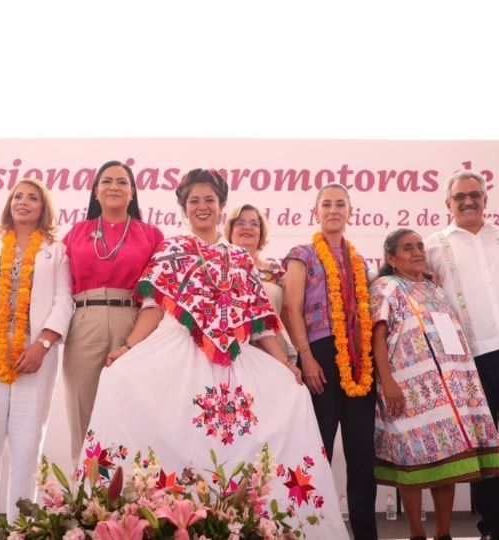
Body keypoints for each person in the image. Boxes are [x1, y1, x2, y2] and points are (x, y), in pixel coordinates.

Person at [86, 169, 348, 538]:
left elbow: (261, 321)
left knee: (284, 400)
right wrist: (128, 348)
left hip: (234, 362)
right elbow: (152, 308)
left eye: (210, 200)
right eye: (194, 200)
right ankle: (166, 522)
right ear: (184, 208)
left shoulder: (240, 260)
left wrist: (286, 363)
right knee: (151, 414)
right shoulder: (172, 250)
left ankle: (238, 524)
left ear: (222, 206)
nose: (203, 206)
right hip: (175, 353)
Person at [424, 170, 499, 540]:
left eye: (475, 194)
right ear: (448, 203)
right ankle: (491, 527)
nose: (468, 201)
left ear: (486, 199)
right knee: (482, 449)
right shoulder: (432, 245)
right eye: (460, 196)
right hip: (467, 360)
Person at [0, 178, 73, 529]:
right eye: (18, 196)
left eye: (32, 197)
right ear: (9, 202)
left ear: (44, 206)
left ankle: (23, 531)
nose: (23, 202)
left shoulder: (57, 248)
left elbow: (63, 301)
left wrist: (43, 345)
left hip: (34, 359)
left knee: (26, 451)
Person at [371, 228, 499, 540]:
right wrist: (388, 383)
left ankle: (443, 533)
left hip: (449, 391)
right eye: (408, 248)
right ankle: (417, 533)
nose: (418, 252)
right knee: (411, 461)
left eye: (419, 246)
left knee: (447, 461)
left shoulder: (437, 290)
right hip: (407, 389)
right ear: (391, 258)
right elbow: (377, 336)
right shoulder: (385, 286)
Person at [282, 183, 378, 540]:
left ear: (350, 212)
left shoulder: (358, 261)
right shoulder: (302, 254)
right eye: (327, 204)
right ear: (315, 212)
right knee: (318, 448)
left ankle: (366, 534)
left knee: (362, 455)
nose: (334, 210)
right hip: (319, 355)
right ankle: (313, 531)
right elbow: (291, 307)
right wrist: (305, 356)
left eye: (341, 204)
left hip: (357, 361)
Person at [62, 160, 163, 462]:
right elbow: (58, 287)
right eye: (107, 181)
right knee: (84, 412)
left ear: (132, 193)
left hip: (134, 321)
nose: (114, 187)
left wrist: (133, 340)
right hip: (83, 320)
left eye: (122, 181)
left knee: (132, 413)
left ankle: (132, 498)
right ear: (95, 192)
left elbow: (158, 293)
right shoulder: (76, 233)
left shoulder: (151, 235)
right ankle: (82, 498)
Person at [226, 203, 296, 363]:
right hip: (234, 354)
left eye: (254, 223)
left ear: (261, 233)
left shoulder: (275, 272)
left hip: (275, 356)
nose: (247, 227)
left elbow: (289, 316)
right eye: (240, 223)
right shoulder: (219, 267)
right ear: (230, 231)